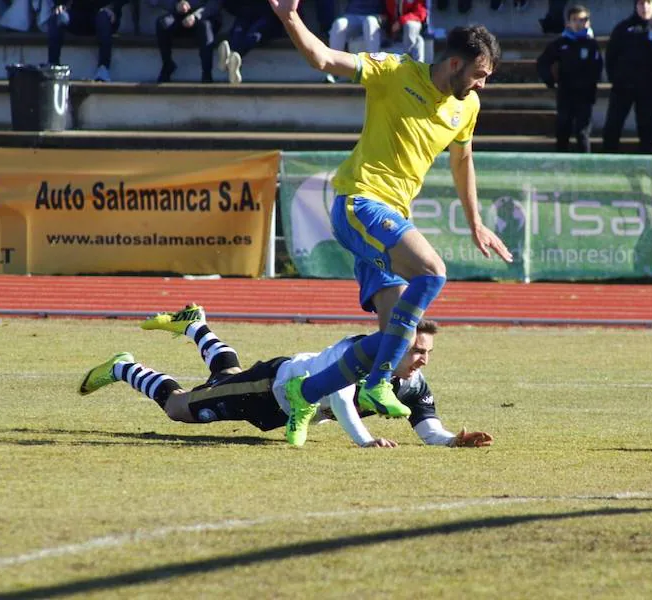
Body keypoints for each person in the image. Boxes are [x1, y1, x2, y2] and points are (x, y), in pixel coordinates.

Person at [267, 0, 513, 446]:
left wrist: (476, 222)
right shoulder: (395, 71)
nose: (481, 84)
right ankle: (380, 383)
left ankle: (306, 394)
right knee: (434, 272)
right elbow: (323, 58)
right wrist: (289, 16)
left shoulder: (467, 107)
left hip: (389, 218)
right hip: (359, 204)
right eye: (478, 74)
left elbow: (463, 161)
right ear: (454, 63)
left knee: (391, 337)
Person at [78, 304, 494, 448]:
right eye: (417, 350)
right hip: (271, 388)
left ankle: (193, 324)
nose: (423, 359)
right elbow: (342, 398)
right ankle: (123, 366)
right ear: (396, 343)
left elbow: (427, 428)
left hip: (281, 410)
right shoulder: (361, 353)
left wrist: (453, 440)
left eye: (428, 353)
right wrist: (365, 441)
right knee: (180, 408)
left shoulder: (414, 383)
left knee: (227, 373)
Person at [602, 0, 652, 154]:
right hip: (622, 89)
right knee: (612, 127)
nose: (645, 7)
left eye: (649, 3)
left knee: (647, 129)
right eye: (641, 3)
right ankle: (607, 164)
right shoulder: (623, 29)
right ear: (635, 5)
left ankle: (647, 166)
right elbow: (611, 57)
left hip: (648, 90)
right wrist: (616, 79)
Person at [536, 4, 603, 153]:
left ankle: (585, 167)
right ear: (568, 23)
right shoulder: (561, 44)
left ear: (588, 22)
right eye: (575, 20)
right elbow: (542, 62)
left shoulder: (592, 45)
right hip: (566, 93)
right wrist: (550, 81)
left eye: (582, 20)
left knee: (582, 132)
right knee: (563, 130)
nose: (579, 23)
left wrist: (591, 85)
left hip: (585, 95)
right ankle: (561, 165)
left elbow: (598, 68)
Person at [47, 1, 130, 82]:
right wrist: (60, 4)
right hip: (79, 15)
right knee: (57, 16)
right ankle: (53, 65)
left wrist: (113, 7)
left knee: (103, 17)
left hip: (105, 15)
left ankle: (103, 69)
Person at [216, 0, 287, 84]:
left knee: (254, 34)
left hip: (270, 14)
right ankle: (231, 61)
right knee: (238, 32)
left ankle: (230, 59)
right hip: (248, 11)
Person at [154, 0, 223, 83]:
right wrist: (175, 5)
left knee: (205, 27)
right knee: (162, 23)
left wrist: (195, 16)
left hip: (205, 16)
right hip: (179, 15)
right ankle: (167, 64)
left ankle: (207, 73)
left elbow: (215, 3)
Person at [324, 0, 386, 82]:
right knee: (339, 24)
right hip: (353, 14)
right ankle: (334, 70)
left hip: (376, 15)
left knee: (370, 22)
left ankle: (373, 69)